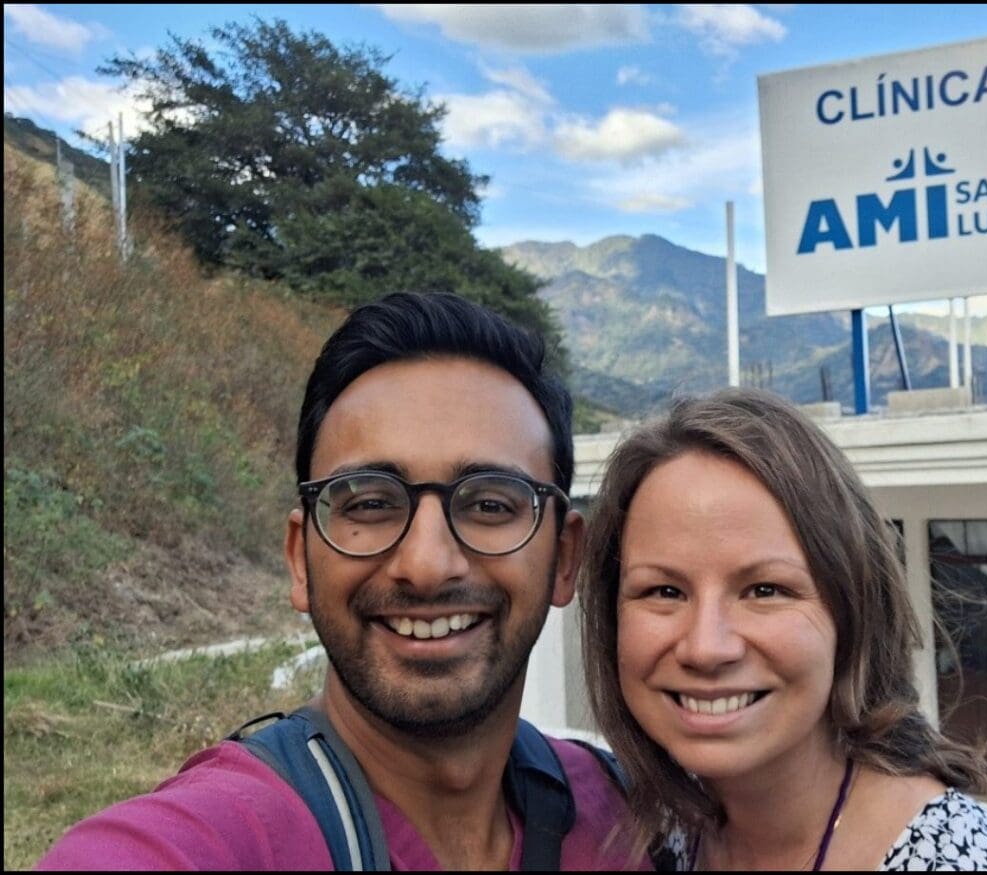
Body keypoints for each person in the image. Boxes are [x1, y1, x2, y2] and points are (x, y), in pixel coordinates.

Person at [39, 291, 640, 870]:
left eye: (489, 505)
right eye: (370, 503)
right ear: (301, 559)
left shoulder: (631, 816)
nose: (426, 566)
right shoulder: (218, 837)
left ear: (565, 558)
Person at [578, 388, 987, 871]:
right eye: (665, 592)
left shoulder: (959, 861)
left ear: (851, 612)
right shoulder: (660, 836)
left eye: (765, 590)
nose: (706, 647)